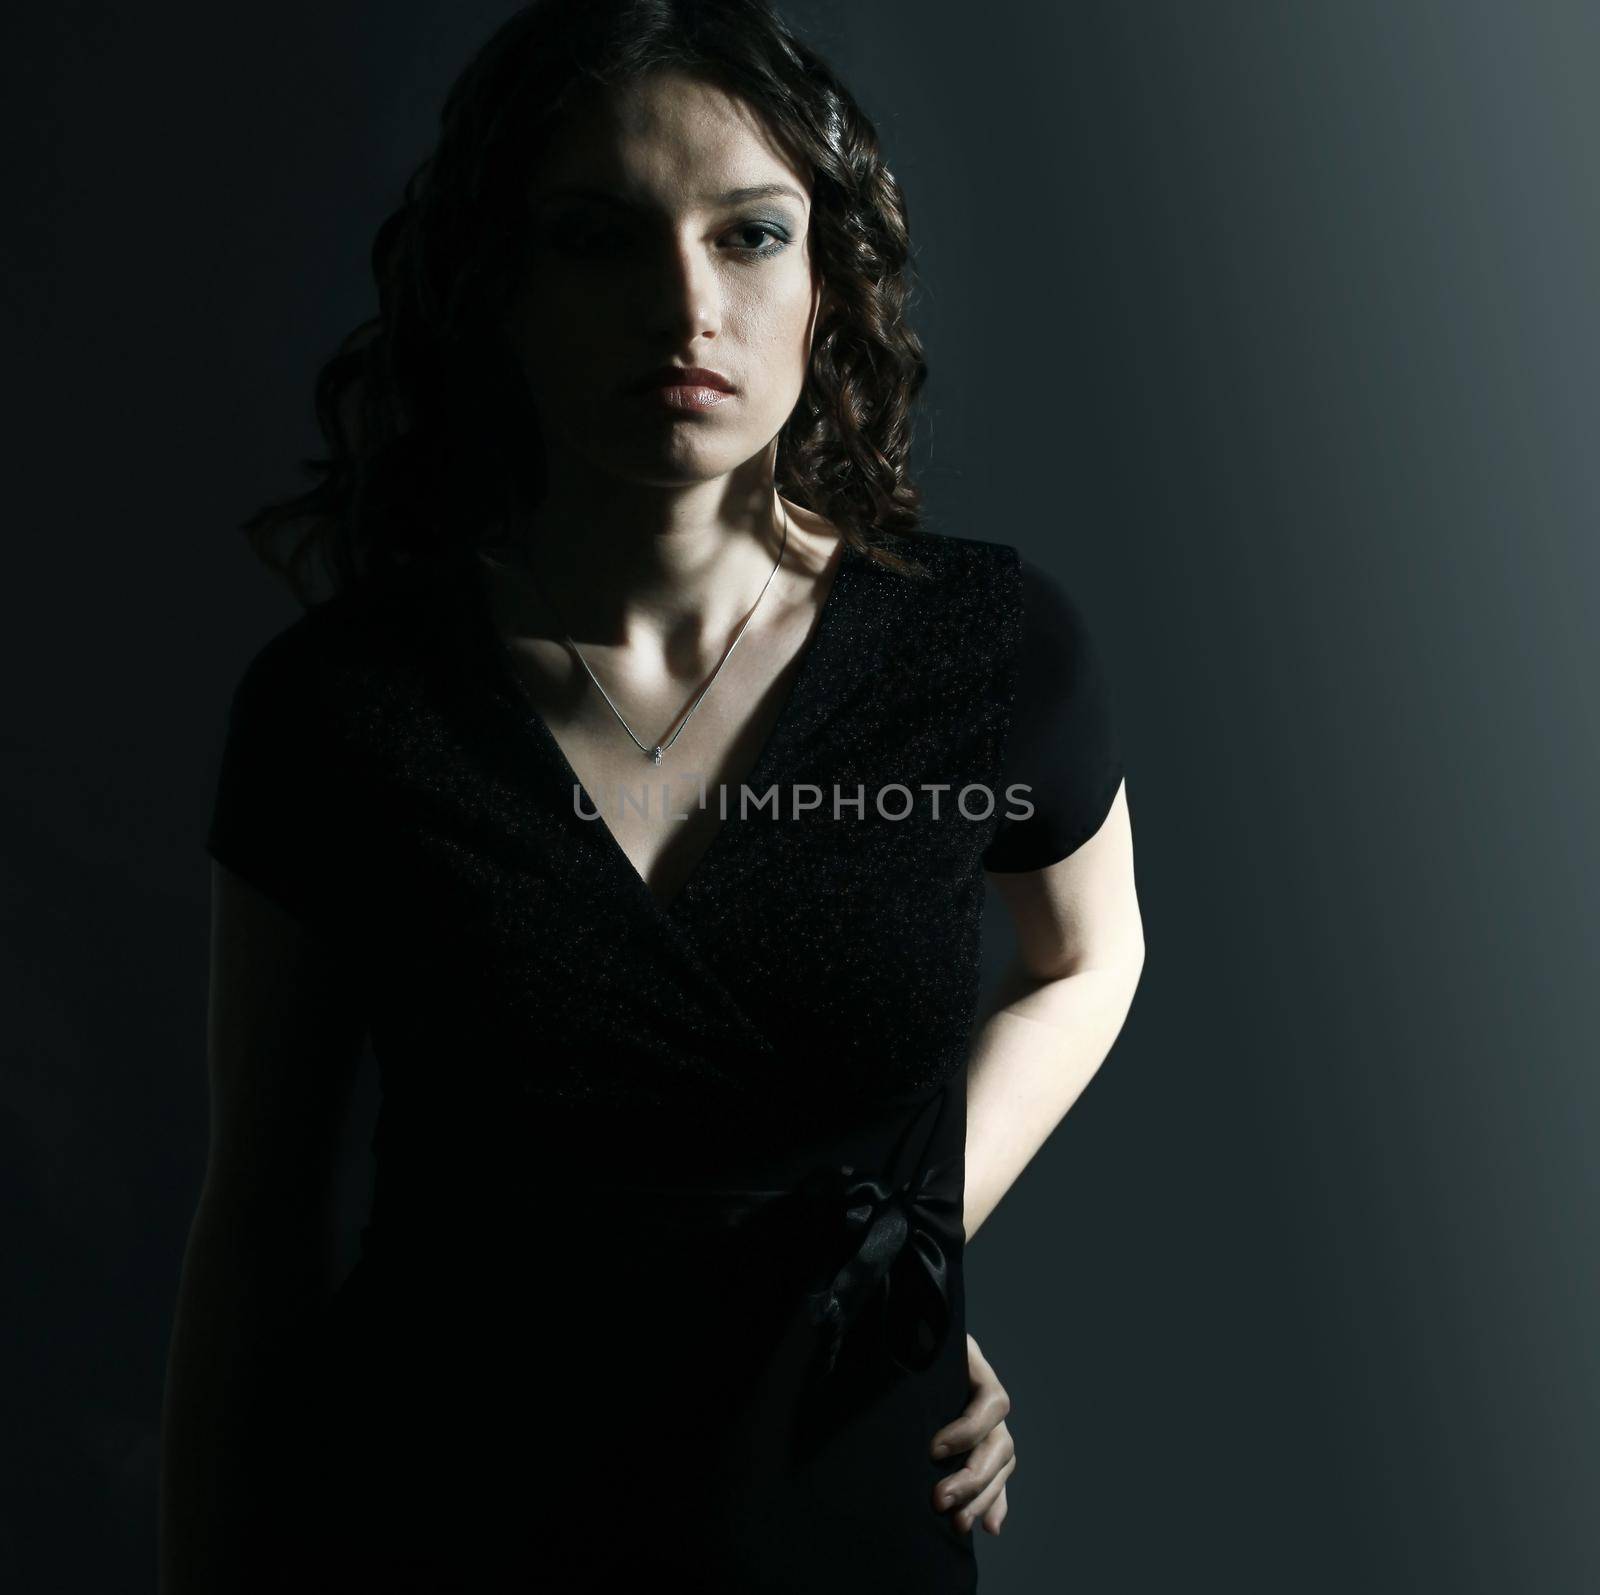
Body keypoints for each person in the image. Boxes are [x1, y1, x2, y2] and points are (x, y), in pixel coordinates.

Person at [158, 1, 1145, 1590]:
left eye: (749, 235)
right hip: (441, 1526)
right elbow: (263, 1221)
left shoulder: (987, 646)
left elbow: (1092, 957)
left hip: (840, 1517)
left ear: (828, 280)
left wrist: (912, 1246)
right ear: (503, 288)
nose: (685, 306)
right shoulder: (345, 707)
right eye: (599, 239)